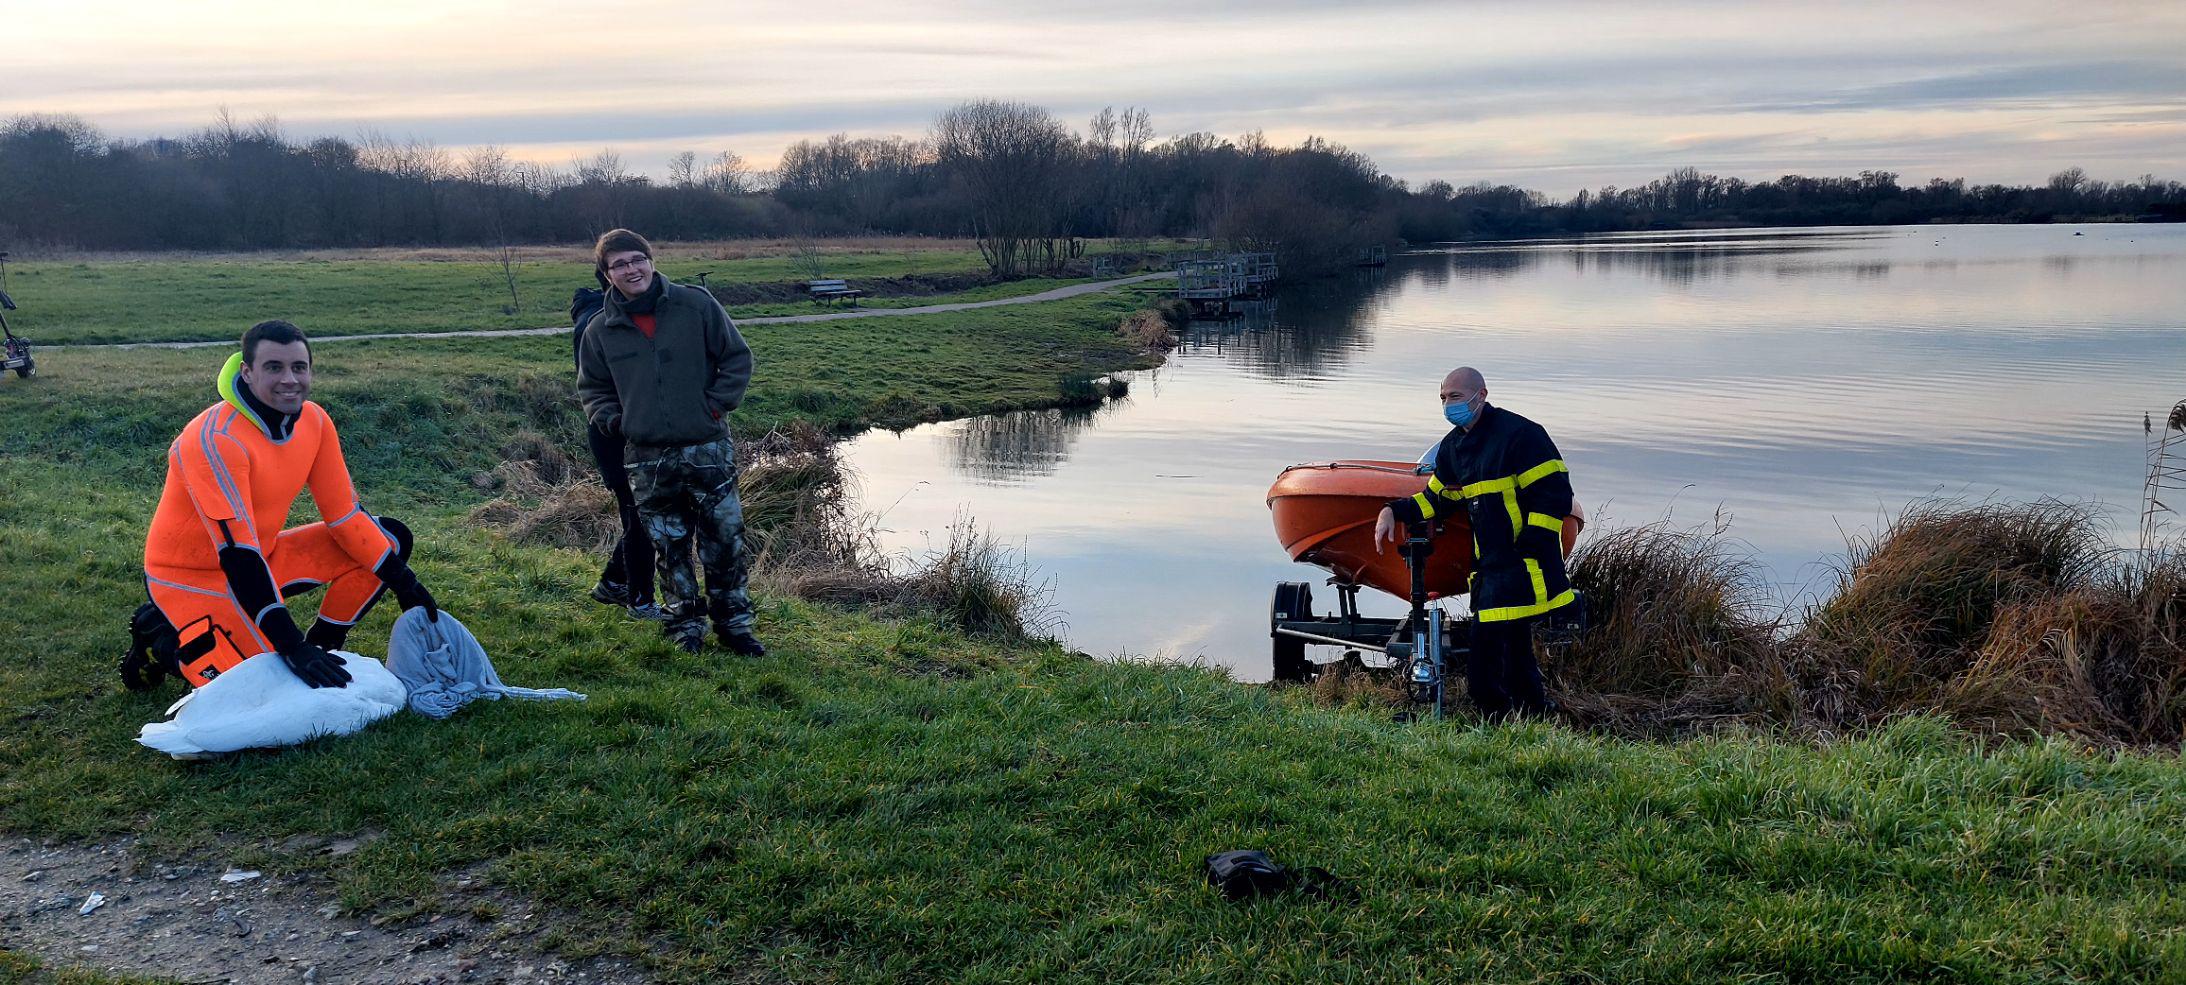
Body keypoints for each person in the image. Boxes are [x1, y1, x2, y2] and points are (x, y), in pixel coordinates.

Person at [126, 320, 438, 692]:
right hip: (188, 576)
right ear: (247, 371)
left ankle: (325, 644)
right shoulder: (215, 440)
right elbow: (238, 556)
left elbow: (345, 517)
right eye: (274, 367)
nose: (289, 379)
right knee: (263, 688)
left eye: (299, 367)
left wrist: (406, 584)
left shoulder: (315, 421)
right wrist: (291, 647)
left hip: (263, 557)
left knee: (389, 540)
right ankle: (160, 640)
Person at [575, 229, 765, 657]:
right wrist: (618, 422)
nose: (630, 270)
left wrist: (715, 407)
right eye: (618, 265)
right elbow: (593, 389)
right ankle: (683, 625)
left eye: (636, 260)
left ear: (651, 260)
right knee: (669, 546)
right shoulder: (600, 330)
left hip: (707, 448)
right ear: (606, 275)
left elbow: (736, 357)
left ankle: (735, 626)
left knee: (725, 542)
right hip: (646, 459)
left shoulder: (695, 305)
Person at [1375, 366, 1574, 719]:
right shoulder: (1454, 447)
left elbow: (1554, 493)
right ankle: (1532, 716)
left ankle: (1503, 717)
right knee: (1514, 650)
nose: (1448, 404)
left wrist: (1530, 543)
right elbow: (1436, 499)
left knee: (1488, 661)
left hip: (1522, 564)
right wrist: (1393, 510)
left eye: (1455, 397)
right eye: (1443, 398)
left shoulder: (1521, 435)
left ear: (1480, 395)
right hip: (1489, 567)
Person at [568, 284, 660, 620]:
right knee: (640, 518)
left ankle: (614, 582)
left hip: (626, 433)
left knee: (642, 516)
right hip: (617, 435)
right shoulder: (598, 324)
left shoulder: (591, 316)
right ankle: (640, 600)